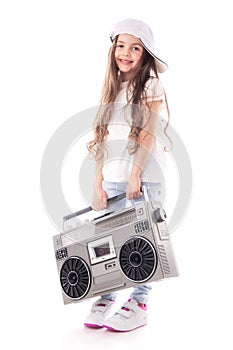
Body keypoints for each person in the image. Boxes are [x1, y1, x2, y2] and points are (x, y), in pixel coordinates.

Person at [84, 18, 171, 332]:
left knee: (140, 242)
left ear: (145, 54)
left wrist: (135, 173)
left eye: (135, 47)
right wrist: (98, 180)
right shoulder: (112, 88)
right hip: (113, 177)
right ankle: (107, 295)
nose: (126, 52)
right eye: (121, 45)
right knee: (107, 240)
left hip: (143, 178)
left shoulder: (150, 85)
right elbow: (103, 137)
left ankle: (139, 301)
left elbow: (146, 134)